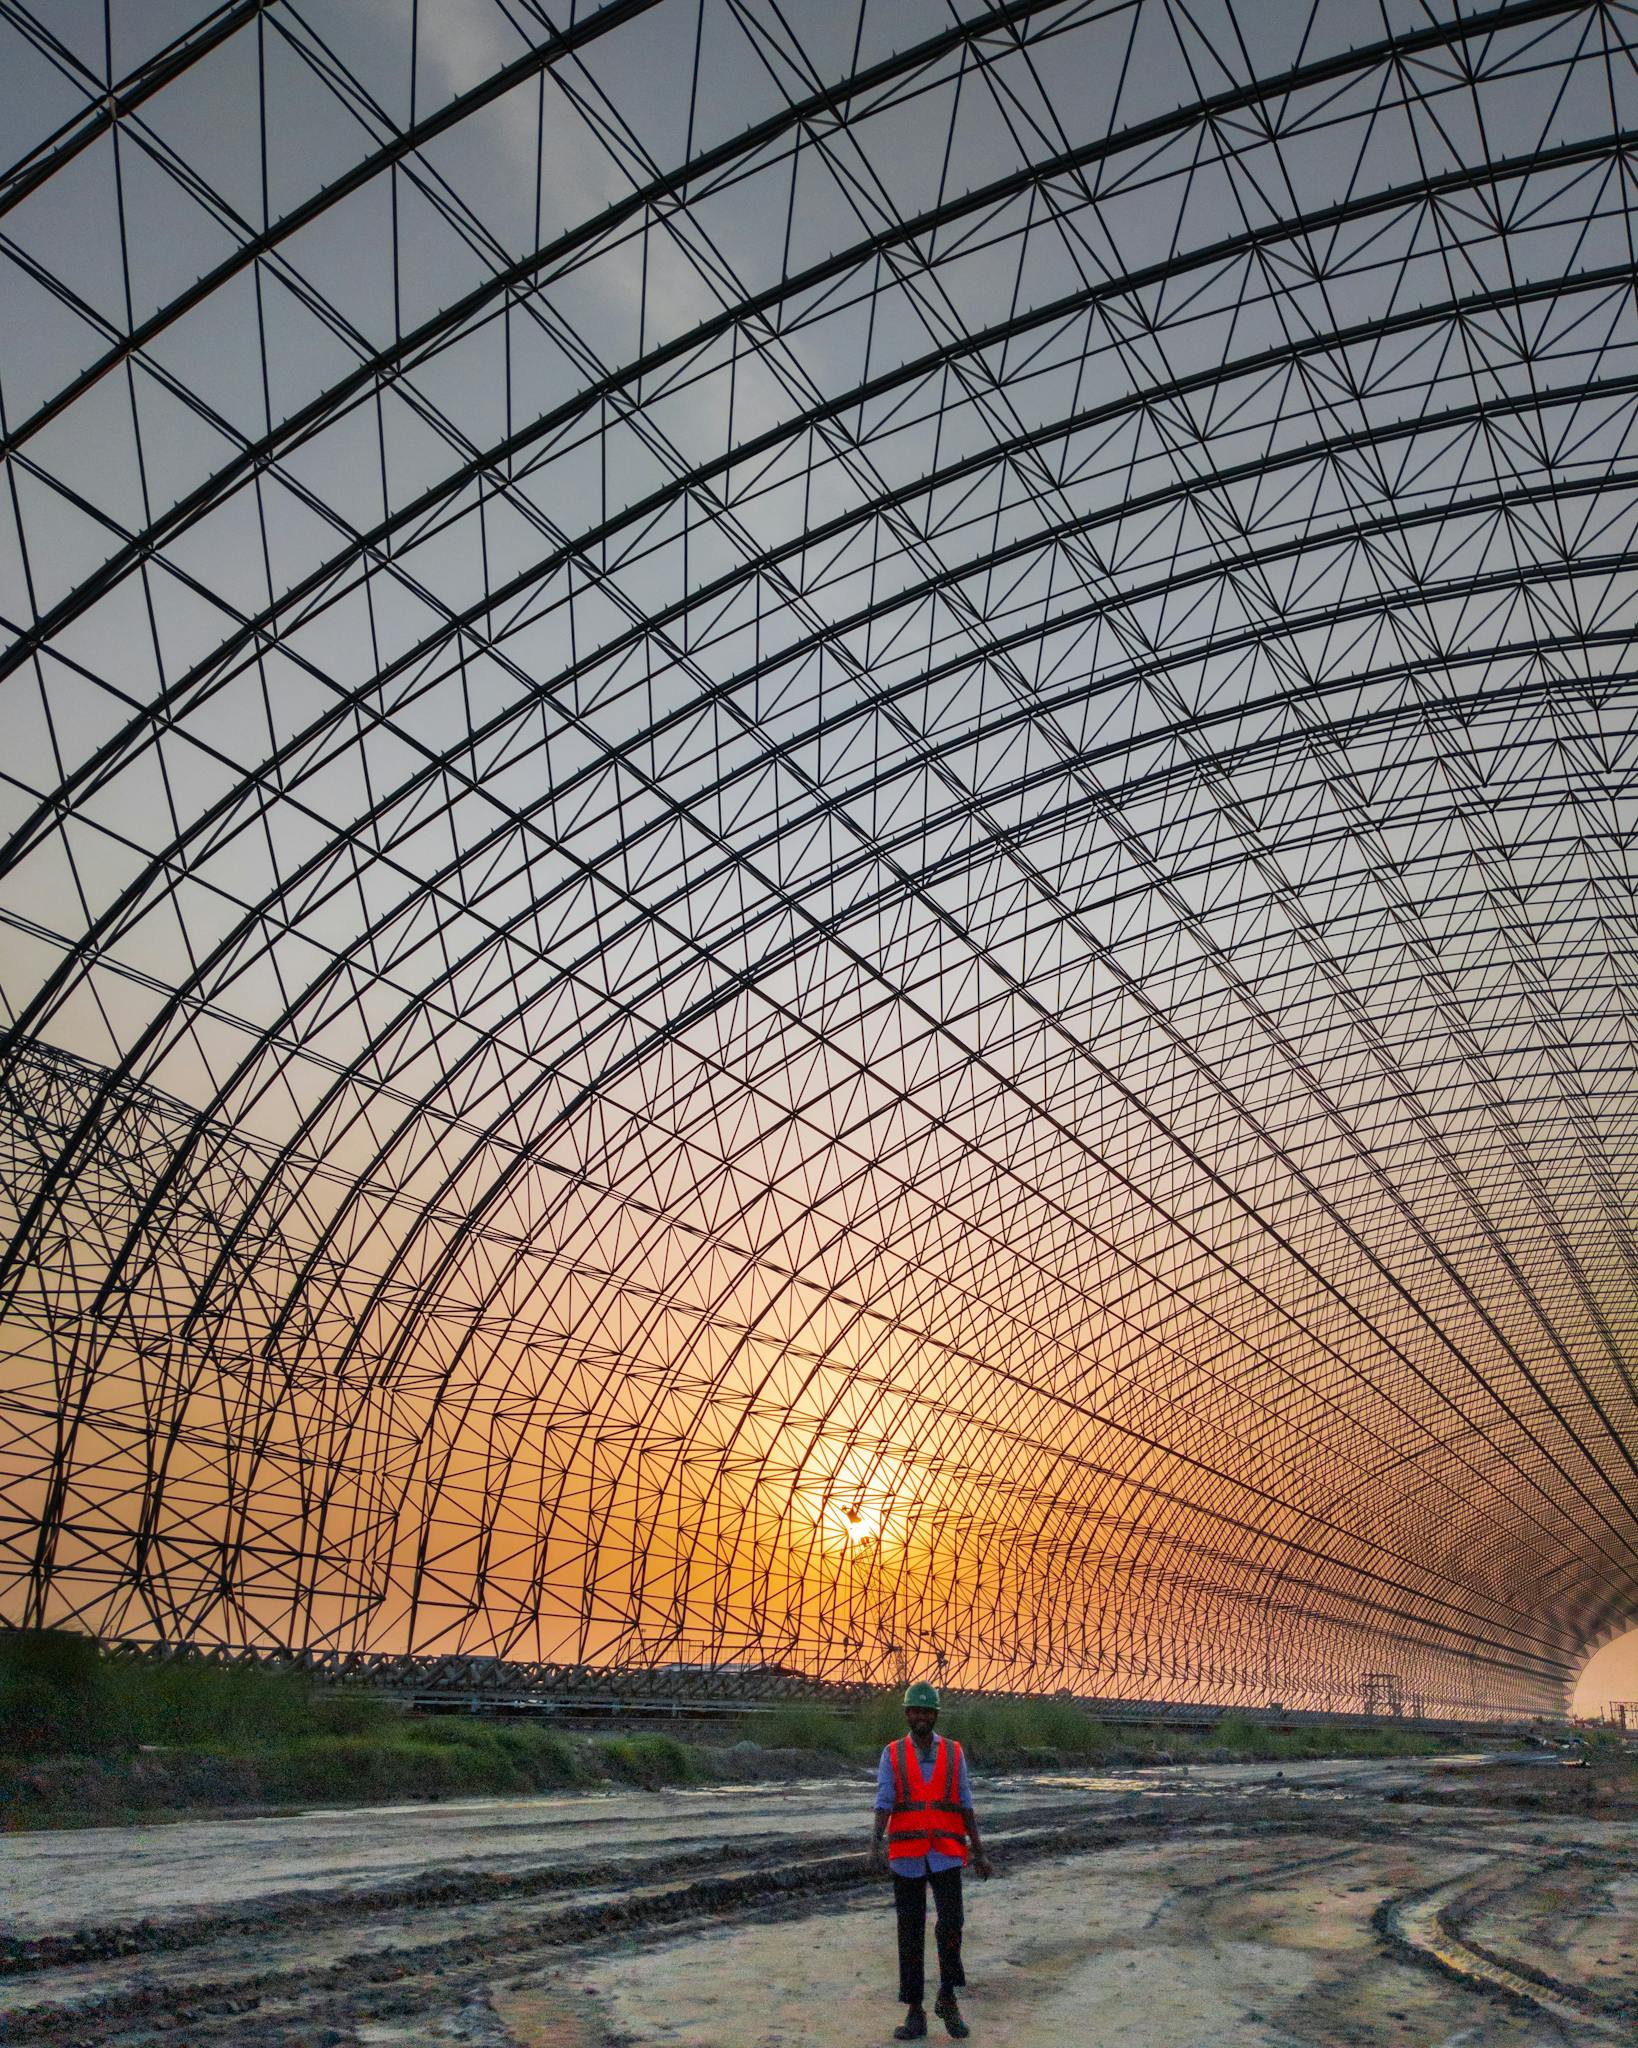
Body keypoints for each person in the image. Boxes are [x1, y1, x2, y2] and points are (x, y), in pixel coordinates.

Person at [870, 1681, 993, 2040]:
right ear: (907, 1714)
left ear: (935, 1715)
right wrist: (874, 1844)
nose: (920, 1717)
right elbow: (884, 1801)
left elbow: (965, 1803)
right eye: (915, 1711)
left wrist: (979, 1852)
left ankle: (947, 1999)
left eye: (926, 1711)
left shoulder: (954, 1753)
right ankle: (914, 2012)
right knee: (909, 1933)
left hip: (946, 1854)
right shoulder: (892, 1754)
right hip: (906, 1856)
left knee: (952, 1924)